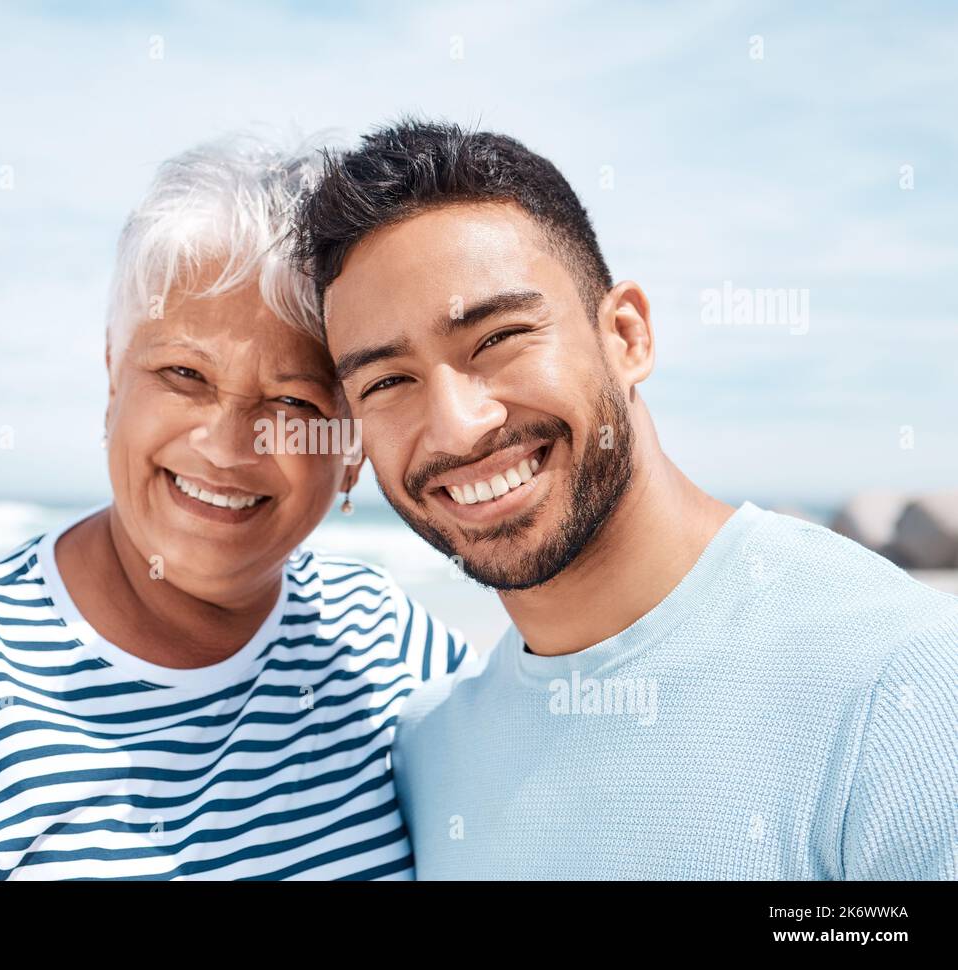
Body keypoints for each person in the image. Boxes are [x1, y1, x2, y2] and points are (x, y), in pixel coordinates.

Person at [0, 133, 468, 881]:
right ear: (112, 377)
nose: (225, 446)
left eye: (291, 399)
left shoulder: (387, 653)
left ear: (351, 440)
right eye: (183, 373)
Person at [292, 118, 958, 879]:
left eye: (498, 337)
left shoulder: (905, 681)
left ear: (627, 335)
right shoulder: (430, 749)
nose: (454, 427)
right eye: (386, 382)